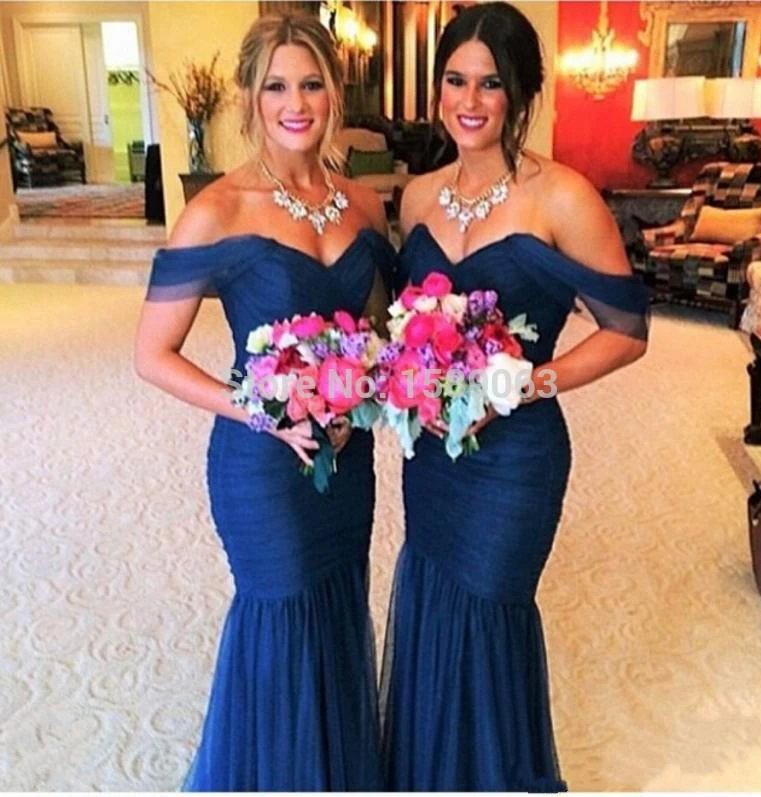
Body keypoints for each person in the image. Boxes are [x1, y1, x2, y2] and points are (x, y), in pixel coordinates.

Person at [380, 3, 649, 791]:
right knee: (432, 594)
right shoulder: (418, 197)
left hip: (516, 457)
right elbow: (404, 322)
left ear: (521, 92)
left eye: (490, 83)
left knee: (491, 610)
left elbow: (628, 331)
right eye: (456, 80)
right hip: (435, 453)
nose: (470, 100)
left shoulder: (563, 196)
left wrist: (530, 381)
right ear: (437, 89)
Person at [134, 14, 392, 791]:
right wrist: (259, 408)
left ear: (334, 92)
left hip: (347, 455)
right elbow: (151, 354)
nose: (296, 103)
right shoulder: (217, 209)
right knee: (281, 613)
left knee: (338, 603)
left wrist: (362, 384)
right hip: (260, 459)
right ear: (248, 95)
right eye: (277, 85)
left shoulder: (364, 204)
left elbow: (379, 331)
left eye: (311, 84)